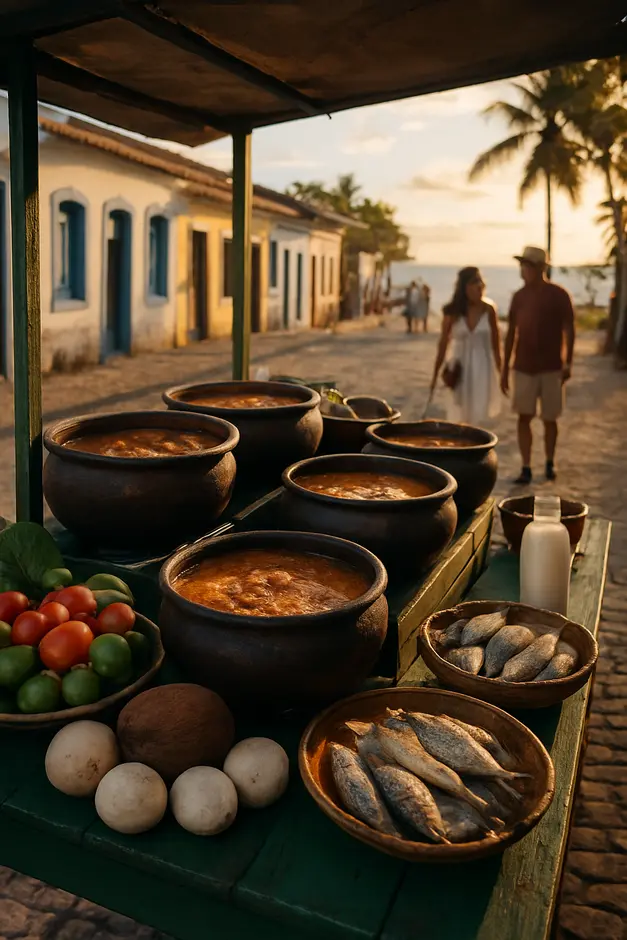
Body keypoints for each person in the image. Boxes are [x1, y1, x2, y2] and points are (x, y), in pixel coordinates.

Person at [501, 246, 575, 484]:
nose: (522, 270)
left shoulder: (559, 295)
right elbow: (511, 333)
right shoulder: (518, 297)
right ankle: (526, 467)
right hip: (523, 366)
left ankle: (550, 462)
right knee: (524, 417)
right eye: (521, 264)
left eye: (527, 265)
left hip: (552, 367)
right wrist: (505, 369)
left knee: (550, 418)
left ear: (540, 268)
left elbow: (569, 330)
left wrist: (568, 362)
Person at [430, 266, 502, 425]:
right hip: (459, 367)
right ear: (465, 287)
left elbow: (496, 345)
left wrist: (501, 372)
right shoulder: (452, 311)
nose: (480, 285)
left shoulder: (489, 309)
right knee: (459, 413)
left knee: (479, 413)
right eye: (474, 282)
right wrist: (435, 374)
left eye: (481, 281)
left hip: (483, 367)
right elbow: (443, 344)